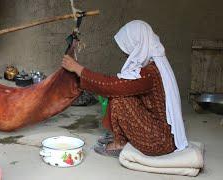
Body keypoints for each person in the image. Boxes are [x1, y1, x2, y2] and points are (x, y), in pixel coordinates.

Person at [61, 20, 188, 157]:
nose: (124, 53)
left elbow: (112, 86)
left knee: (119, 98)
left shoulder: (149, 73)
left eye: (127, 47)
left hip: (159, 142)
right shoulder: (154, 64)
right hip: (163, 134)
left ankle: (120, 143)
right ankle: (123, 138)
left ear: (138, 45)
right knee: (120, 93)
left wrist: (78, 69)